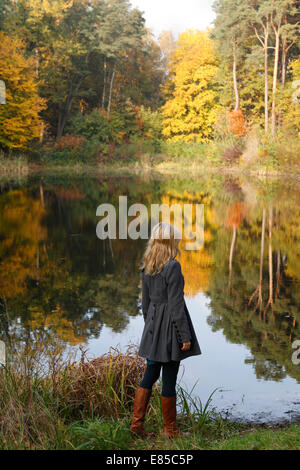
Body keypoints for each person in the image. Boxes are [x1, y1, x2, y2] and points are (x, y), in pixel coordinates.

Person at [130, 222, 201, 438]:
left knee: (150, 374)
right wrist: (185, 336)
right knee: (169, 376)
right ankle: (170, 430)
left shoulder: (147, 266)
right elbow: (176, 305)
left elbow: (145, 304)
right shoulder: (172, 266)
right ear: (171, 242)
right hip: (171, 329)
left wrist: (150, 327)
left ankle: (136, 426)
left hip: (152, 327)